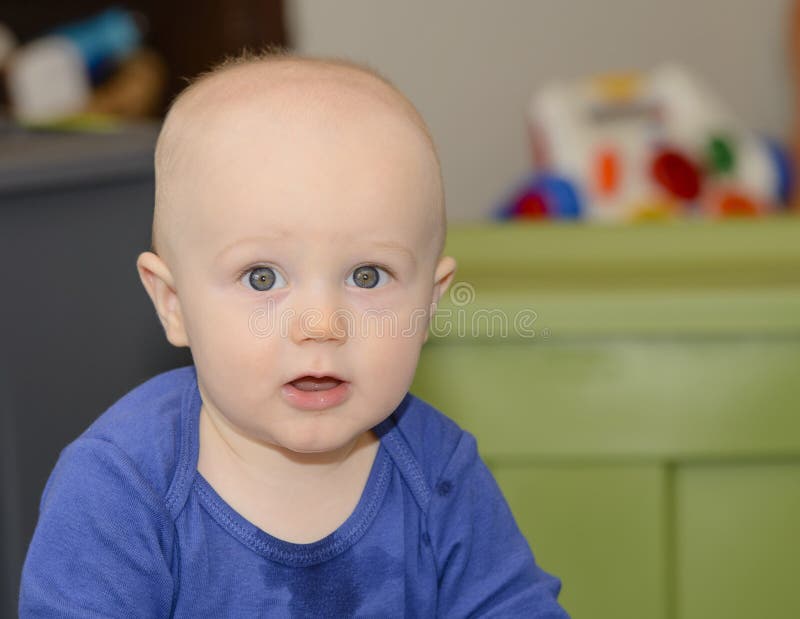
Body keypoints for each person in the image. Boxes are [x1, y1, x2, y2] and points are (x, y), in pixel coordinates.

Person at [19, 51, 569, 618]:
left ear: (428, 304)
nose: (320, 325)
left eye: (367, 275)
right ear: (174, 303)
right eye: (262, 278)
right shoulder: (121, 489)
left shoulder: (441, 475)